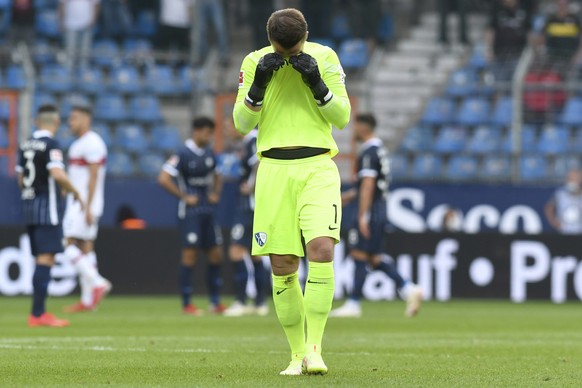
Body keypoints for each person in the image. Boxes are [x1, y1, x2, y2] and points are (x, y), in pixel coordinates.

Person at [233, 8, 351, 376]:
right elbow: (241, 123)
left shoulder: (325, 57)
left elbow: (342, 117)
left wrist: (318, 85)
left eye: (294, 47)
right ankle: (295, 354)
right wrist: (256, 88)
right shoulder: (254, 61)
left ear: (306, 37)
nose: (287, 54)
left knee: (321, 249)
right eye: (281, 48)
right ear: (269, 38)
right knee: (282, 263)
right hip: (273, 169)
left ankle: (315, 349)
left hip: (317, 166)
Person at [330, 113, 423, 319]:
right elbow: (365, 185)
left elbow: (368, 186)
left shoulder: (369, 152)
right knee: (373, 258)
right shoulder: (379, 150)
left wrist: (362, 216)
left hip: (371, 209)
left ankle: (353, 304)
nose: (353, 130)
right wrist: (347, 196)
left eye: (356, 126)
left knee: (359, 254)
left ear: (364, 127)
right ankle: (408, 289)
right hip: (379, 208)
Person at [16, 105, 84, 327]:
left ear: (37, 121)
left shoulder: (25, 144)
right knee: (46, 259)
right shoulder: (52, 145)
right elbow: (57, 173)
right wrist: (74, 191)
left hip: (29, 208)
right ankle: (38, 314)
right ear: (55, 122)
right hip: (48, 209)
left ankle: (38, 312)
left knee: (40, 259)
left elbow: (20, 178)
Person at [158, 117, 225, 315]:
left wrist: (216, 193)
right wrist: (184, 196)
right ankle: (187, 303)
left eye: (211, 133)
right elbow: (163, 178)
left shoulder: (210, 154)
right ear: (196, 132)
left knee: (215, 254)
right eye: (207, 132)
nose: (209, 136)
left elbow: (218, 174)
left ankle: (215, 302)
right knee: (190, 253)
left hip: (208, 211)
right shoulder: (182, 153)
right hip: (189, 213)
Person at [60, 105, 112, 313]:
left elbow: (93, 177)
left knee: (65, 243)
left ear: (86, 119)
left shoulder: (93, 143)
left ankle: (97, 282)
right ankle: (88, 300)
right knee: (85, 246)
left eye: (74, 118)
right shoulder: (78, 144)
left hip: (83, 203)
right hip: (80, 201)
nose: (70, 122)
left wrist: (88, 206)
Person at [222, 121, 268, 317]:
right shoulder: (251, 142)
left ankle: (241, 301)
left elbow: (260, 164)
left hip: (249, 207)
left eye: (228, 127)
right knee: (254, 254)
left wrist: (252, 186)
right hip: (254, 207)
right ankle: (260, 303)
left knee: (235, 251)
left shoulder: (253, 141)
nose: (226, 131)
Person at [486, 0, 533, 82]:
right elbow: (490, 30)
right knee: (500, 84)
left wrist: (530, 51)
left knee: (516, 84)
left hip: (518, 55)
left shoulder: (524, 10)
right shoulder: (497, 10)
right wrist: (489, 50)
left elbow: (529, 32)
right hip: (500, 55)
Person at [538, 0, 582, 73]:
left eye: (564, 6)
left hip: (570, 55)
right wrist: (543, 51)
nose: (562, 8)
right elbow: (542, 37)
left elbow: (580, 37)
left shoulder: (575, 19)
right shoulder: (551, 20)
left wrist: (579, 54)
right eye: (560, 6)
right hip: (552, 55)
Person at [58, 0, 101, 69]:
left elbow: (96, 5)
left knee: (85, 51)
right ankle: (69, 71)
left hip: (87, 25)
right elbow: (62, 5)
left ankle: (83, 70)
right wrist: (61, 21)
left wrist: (93, 19)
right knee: (70, 50)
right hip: (70, 24)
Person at [192, 0, 230, 66]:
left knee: (220, 28)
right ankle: (203, 56)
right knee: (200, 30)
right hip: (201, 2)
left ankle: (224, 56)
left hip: (215, 2)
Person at [544, 169, 582, 234]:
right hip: (563, 234)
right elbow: (548, 208)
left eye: (573, 179)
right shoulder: (560, 194)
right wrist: (554, 222)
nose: (570, 182)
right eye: (568, 179)